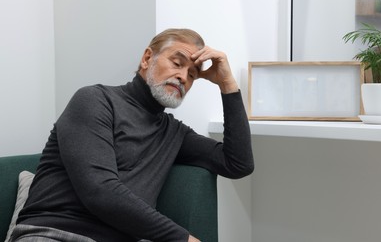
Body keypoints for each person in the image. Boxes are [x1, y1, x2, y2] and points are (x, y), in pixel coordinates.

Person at [11, 28, 254, 242]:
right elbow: (100, 192)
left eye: (192, 75)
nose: (183, 77)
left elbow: (238, 164)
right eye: (177, 63)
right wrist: (182, 238)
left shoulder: (174, 133)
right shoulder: (95, 100)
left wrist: (227, 84)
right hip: (54, 233)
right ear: (148, 58)